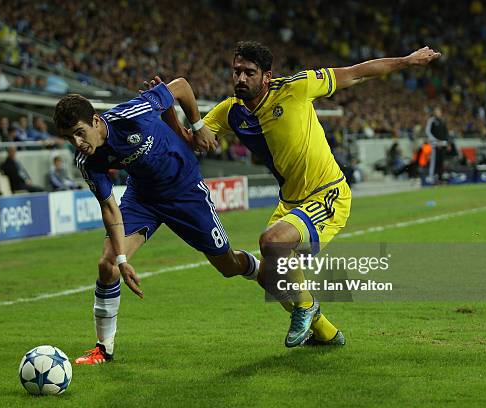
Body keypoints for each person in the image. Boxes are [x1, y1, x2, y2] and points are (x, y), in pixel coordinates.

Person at [195, 41, 440, 347]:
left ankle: (306, 305)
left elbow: (356, 73)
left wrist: (406, 60)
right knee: (271, 279)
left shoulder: (298, 87)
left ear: (267, 76)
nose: (240, 78)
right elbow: (194, 137)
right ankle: (326, 334)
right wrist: (176, 115)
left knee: (271, 241)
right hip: (291, 202)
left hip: (328, 194)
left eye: (249, 72)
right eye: (236, 71)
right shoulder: (230, 112)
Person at [52, 77, 260, 365]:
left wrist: (198, 128)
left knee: (229, 267)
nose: (77, 143)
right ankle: (103, 348)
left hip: (184, 190)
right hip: (143, 197)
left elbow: (183, 86)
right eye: (69, 138)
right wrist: (123, 259)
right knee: (107, 265)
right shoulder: (88, 161)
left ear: (96, 121)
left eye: (79, 132)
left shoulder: (133, 113)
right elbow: (110, 208)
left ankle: (260, 268)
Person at [425, 106, 449, 184]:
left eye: (439, 111)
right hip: (435, 145)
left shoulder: (442, 121)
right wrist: (435, 141)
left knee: (441, 162)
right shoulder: (432, 120)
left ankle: (440, 178)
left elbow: (446, 133)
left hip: (442, 144)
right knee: (434, 162)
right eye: (436, 111)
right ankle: (432, 178)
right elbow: (428, 132)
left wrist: (446, 142)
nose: (438, 113)